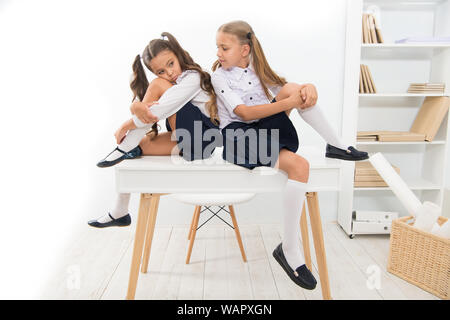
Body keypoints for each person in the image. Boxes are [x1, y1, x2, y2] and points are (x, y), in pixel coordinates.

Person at [211, 20, 366, 290]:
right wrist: (290, 102)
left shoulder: (258, 71)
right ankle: (291, 251)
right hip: (238, 137)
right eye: (218, 47)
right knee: (299, 160)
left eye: (224, 47)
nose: (218, 53)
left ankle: (336, 145)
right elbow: (244, 114)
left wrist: (309, 87)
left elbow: (292, 93)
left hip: (261, 130)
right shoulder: (219, 76)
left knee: (295, 89)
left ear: (245, 49)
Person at [89, 32, 222, 228]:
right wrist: (135, 108)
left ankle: (126, 144)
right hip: (189, 141)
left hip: (202, 139)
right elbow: (152, 108)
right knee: (137, 149)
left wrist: (127, 123)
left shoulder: (193, 77)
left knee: (156, 92)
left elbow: (158, 110)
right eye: (160, 71)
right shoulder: (173, 83)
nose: (168, 73)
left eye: (171, 64)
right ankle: (120, 211)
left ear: (178, 55)